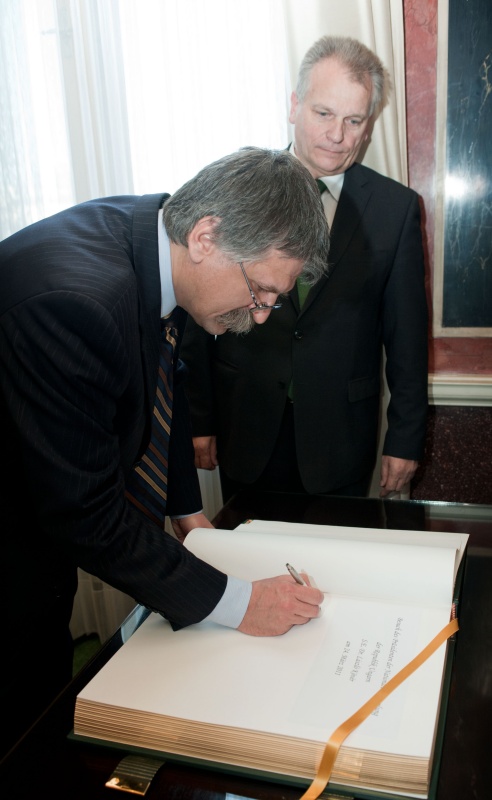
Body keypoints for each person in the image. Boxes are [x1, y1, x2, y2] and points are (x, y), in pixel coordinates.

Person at [0, 147, 329, 757]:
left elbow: (161, 381)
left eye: (272, 301)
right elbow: (87, 517)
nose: (258, 319)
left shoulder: (154, 235)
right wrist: (240, 602)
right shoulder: (75, 304)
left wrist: (184, 507)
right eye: (259, 292)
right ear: (208, 236)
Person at [180, 36, 429, 502]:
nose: (337, 134)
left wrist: (405, 437)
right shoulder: (236, 187)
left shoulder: (395, 210)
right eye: (323, 113)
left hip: (341, 438)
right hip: (246, 426)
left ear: (369, 125)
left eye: (354, 120)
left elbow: (407, 338)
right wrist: (201, 419)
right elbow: (196, 307)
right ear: (293, 105)